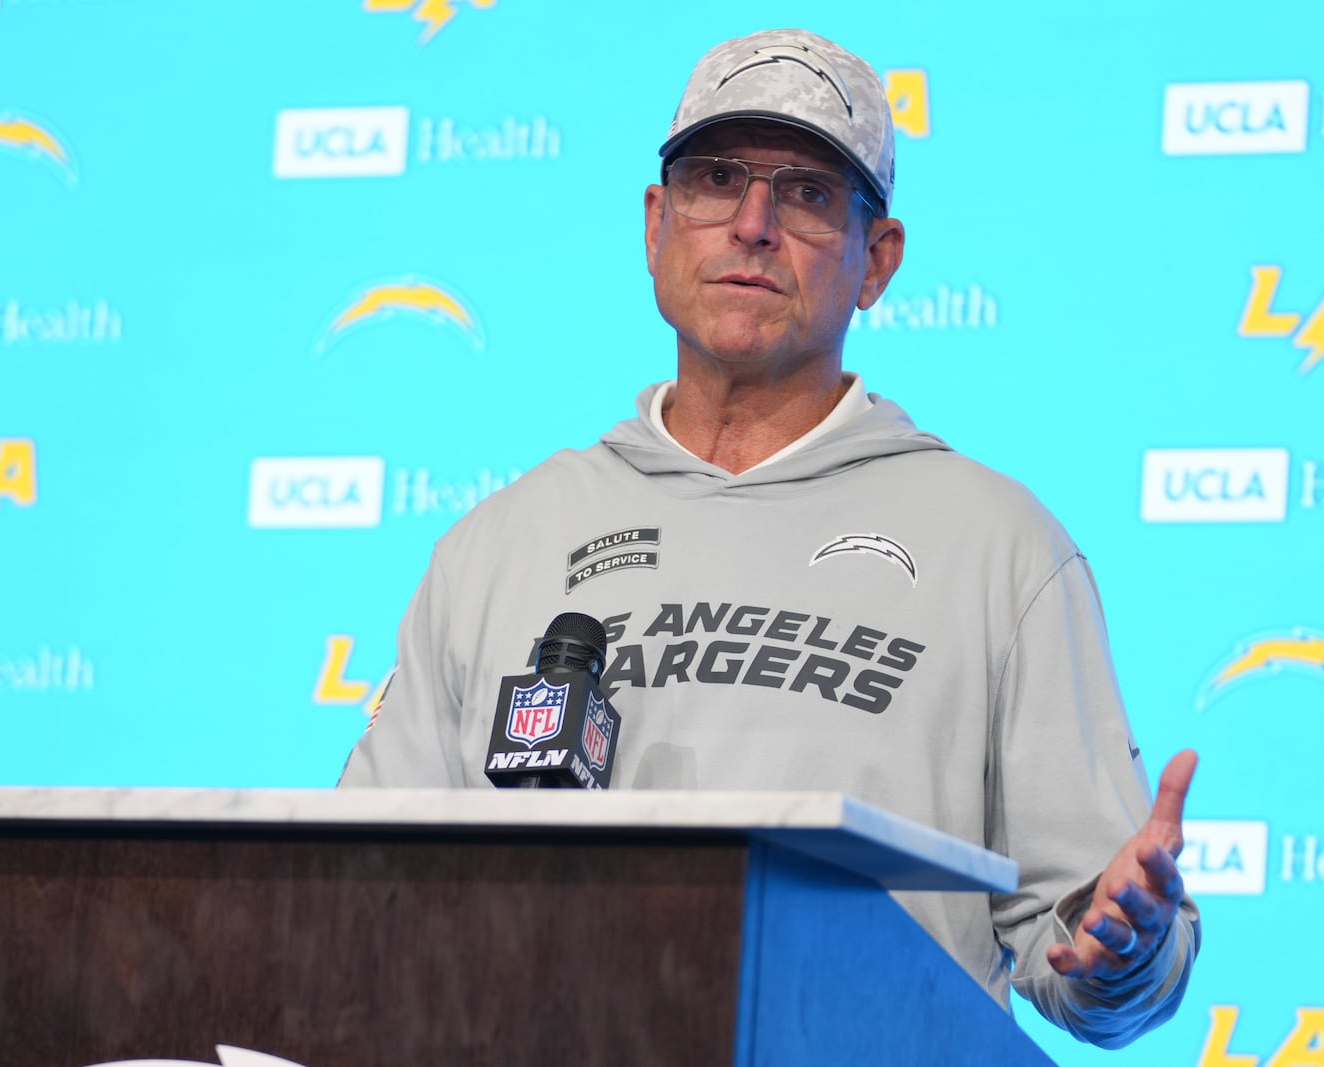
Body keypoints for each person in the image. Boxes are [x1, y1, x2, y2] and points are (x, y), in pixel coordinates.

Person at [338, 28, 1200, 1049]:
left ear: (877, 261)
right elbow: (356, 904)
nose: (752, 223)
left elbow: (1095, 951)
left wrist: (1128, 950)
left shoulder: (998, 547)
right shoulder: (501, 543)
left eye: (805, 193)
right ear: (657, 225)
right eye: (716, 178)